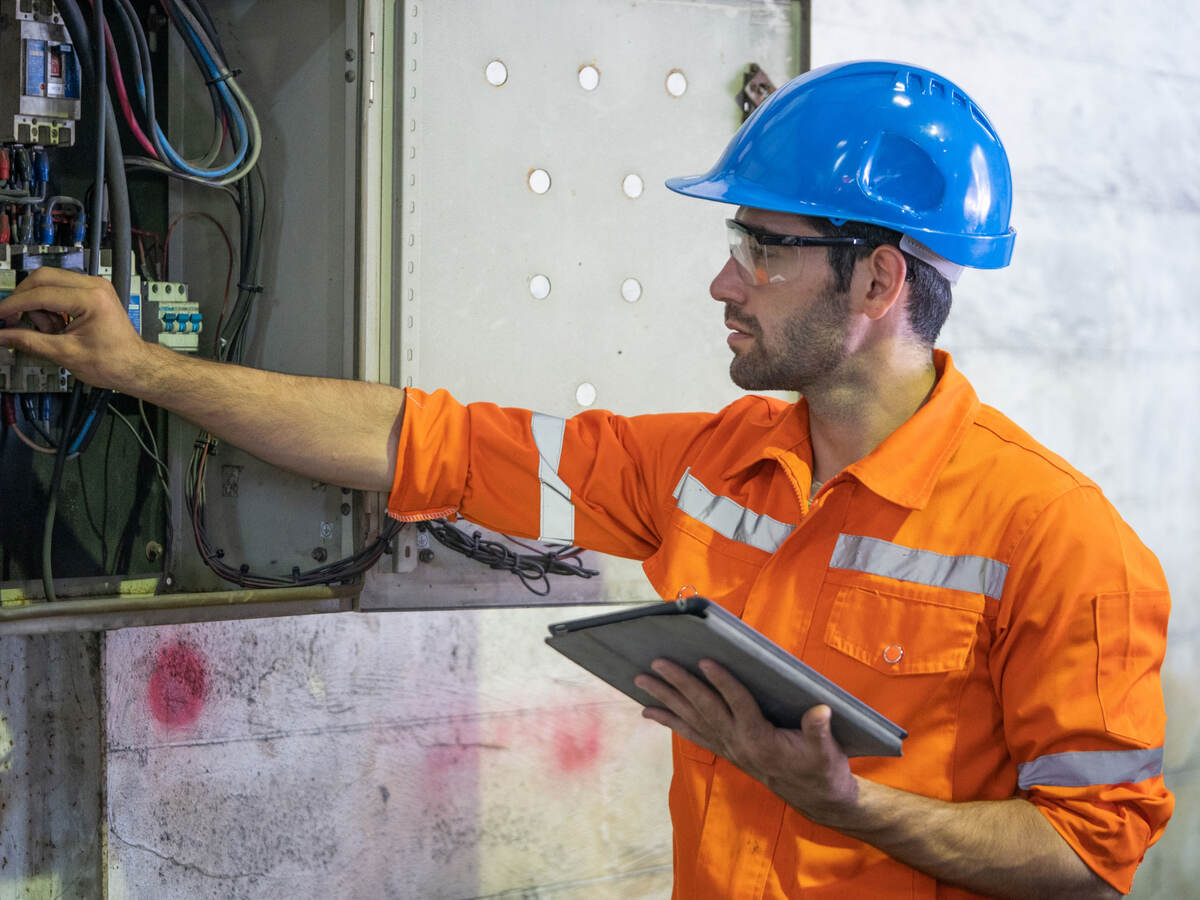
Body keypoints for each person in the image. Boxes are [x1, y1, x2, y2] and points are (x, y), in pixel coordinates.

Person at [0, 60, 1171, 898]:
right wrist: (144, 368)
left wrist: (853, 809)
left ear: (875, 286)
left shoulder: (1062, 540)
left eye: (761, 250)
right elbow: (421, 442)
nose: (726, 283)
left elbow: (1089, 857)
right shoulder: (715, 467)